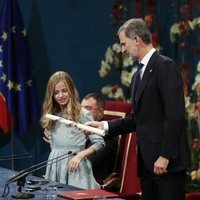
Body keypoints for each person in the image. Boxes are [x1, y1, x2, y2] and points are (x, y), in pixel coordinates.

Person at [85, 18, 190, 200]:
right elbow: (136, 119)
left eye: (123, 43)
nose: (123, 49)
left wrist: (165, 156)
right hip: (148, 165)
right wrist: (104, 127)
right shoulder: (137, 76)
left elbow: (176, 116)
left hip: (167, 165)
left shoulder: (165, 66)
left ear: (136, 40)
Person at [40, 71, 105, 189]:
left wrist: (80, 155)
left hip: (76, 169)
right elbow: (55, 148)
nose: (60, 95)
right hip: (55, 168)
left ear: (71, 90)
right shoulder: (52, 116)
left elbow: (99, 143)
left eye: (64, 90)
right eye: (56, 92)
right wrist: (55, 142)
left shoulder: (83, 114)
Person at [81, 93, 118, 180]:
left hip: (91, 186)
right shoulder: (79, 133)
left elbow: (86, 165)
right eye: (81, 109)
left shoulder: (106, 138)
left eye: (87, 108)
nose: (83, 113)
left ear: (100, 113)